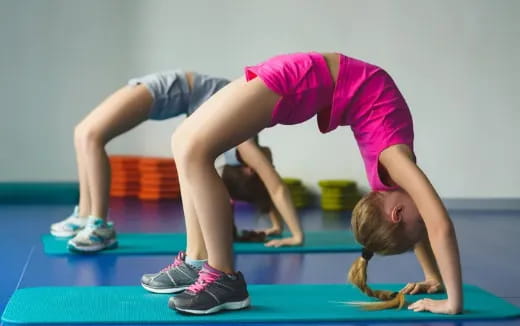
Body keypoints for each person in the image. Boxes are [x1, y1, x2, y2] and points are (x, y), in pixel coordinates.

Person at [165, 52, 462, 316]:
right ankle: (222, 276)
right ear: (395, 213)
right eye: (420, 220)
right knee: (193, 150)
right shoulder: (396, 162)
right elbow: (440, 225)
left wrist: (432, 276)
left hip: (307, 74)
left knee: (185, 144)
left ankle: (198, 262)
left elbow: (420, 222)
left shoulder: (390, 183)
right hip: (308, 78)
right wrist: (452, 303)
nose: (423, 213)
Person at [49, 70, 303, 253]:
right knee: (84, 134)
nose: (271, 161)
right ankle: (86, 215)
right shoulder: (243, 139)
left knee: (89, 135)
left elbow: (273, 185)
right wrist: (278, 225)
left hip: (172, 89)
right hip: (175, 87)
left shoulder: (245, 146)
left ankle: (98, 224)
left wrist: (294, 234)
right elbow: (268, 187)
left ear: (248, 171)